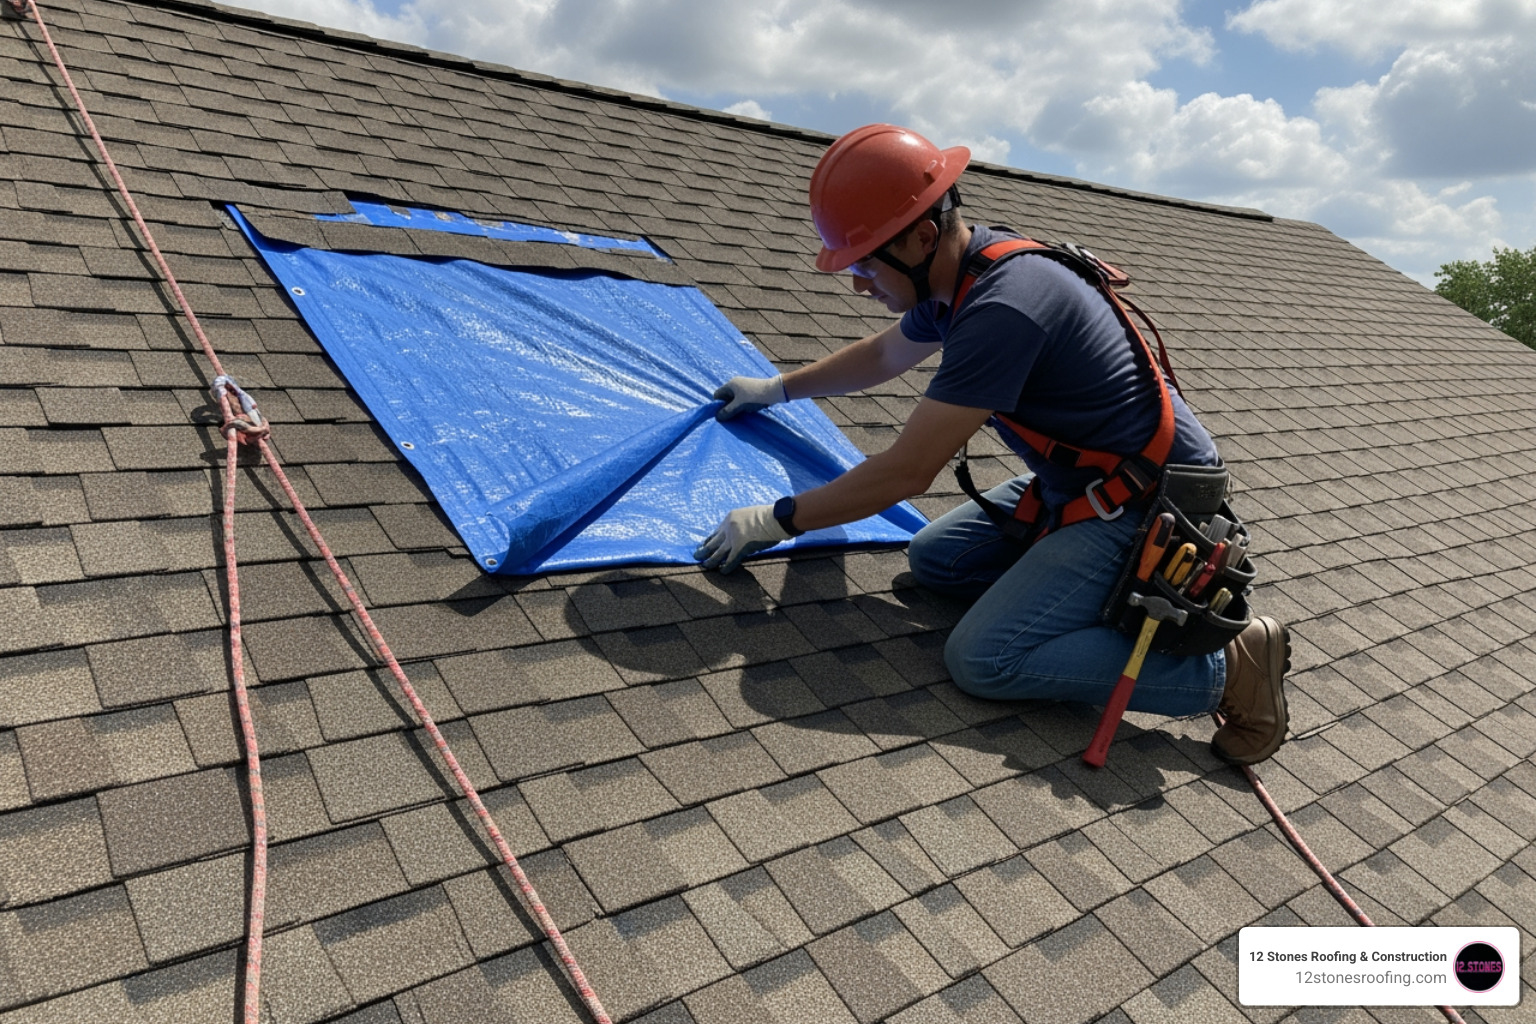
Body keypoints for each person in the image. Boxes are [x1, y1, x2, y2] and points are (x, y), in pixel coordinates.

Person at [695, 123, 1288, 766]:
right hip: (1088, 482)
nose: (860, 284)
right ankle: (1072, 597)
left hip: (1144, 504)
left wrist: (779, 519)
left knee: (984, 658)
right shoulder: (964, 270)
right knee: (935, 561)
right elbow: (886, 354)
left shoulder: (1005, 307)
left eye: (865, 262)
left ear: (921, 237)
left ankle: (1227, 666)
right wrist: (775, 389)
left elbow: (907, 471)